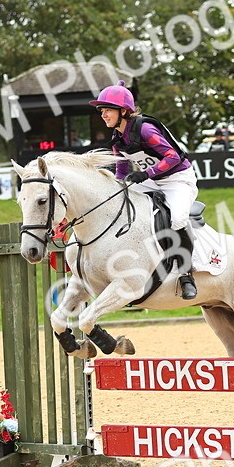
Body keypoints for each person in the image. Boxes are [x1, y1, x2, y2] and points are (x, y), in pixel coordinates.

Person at [91, 80, 200, 301]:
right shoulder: (117, 138)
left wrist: (146, 173)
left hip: (177, 179)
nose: (103, 114)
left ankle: (186, 274)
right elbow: (121, 169)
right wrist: (118, 187)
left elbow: (173, 157)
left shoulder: (145, 128)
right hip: (151, 180)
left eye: (107, 110)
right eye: (101, 110)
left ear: (123, 111)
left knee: (177, 218)